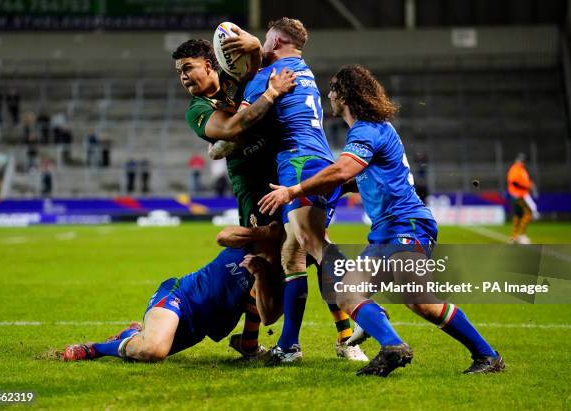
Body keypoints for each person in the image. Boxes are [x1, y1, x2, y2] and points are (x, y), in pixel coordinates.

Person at [260, 64, 505, 375]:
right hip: (391, 228)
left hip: (406, 225)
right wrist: (322, 191)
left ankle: (483, 355)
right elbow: (351, 180)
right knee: (355, 293)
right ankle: (395, 346)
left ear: (346, 95)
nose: (330, 95)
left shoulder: (366, 130)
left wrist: (293, 191)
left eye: (334, 89)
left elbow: (343, 171)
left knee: (414, 300)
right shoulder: (374, 128)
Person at [174, 36, 364, 362]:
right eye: (179, 73)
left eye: (187, 68)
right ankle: (257, 341)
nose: (183, 77)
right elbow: (233, 127)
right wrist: (271, 94)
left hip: (285, 172)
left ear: (209, 64)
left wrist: (249, 41)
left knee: (315, 247)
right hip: (254, 192)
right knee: (274, 274)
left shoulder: (237, 78)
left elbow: (255, 51)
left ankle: (343, 339)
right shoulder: (199, 109)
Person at [241, 17, 343, 364]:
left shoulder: (271, 77)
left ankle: (365, 306)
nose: (263, 44)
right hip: (319, 161)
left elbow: (239, 124)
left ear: (278, 40)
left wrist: (219, 145)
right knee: (292, 253)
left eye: (268, 39)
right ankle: (291, 346)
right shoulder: (303, 70)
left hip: (300, 164)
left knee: (313, 244)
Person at [62, 223, 284, 363]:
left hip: (200, 328)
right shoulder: (253, 240)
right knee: (153, 350)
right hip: (180, 296)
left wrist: (261, 274)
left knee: (146, 351)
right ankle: (94, 349)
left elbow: (269, 316)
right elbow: (222, 236)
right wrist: (264, 231)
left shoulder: (282, 272)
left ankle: (132, 333)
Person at [507, 153, 538, 244]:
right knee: (528, 213)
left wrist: (528, 184)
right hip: (518, 195)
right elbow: (514, 182)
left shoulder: (521, 169)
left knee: (518, 215)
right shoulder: (516, 169)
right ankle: (521, 235)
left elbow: (521, 181)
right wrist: (526, 186)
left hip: (520, 195)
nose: (523, 162)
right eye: (522, 161)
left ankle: (514, 236)